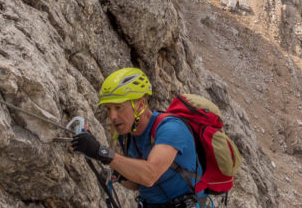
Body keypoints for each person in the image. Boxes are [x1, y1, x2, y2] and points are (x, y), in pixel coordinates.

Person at [71, 67, 210, 208]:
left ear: (141, 104)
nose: (112, 116)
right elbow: (138, 183)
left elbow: (150, 175)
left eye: (118, 107)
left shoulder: (171, 129)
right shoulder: (127, 137)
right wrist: (119, 173)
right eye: (108, 108)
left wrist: (101, 152)